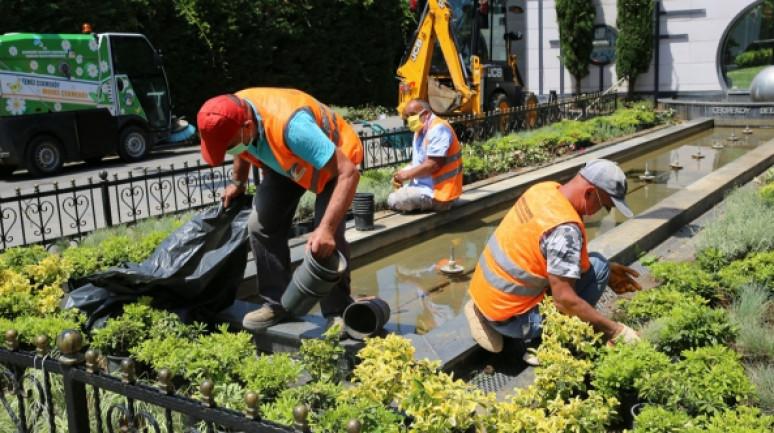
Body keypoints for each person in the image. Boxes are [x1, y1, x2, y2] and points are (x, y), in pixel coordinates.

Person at [197, 88, 363, 331]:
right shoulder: (232, 110)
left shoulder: (292, 128)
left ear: (247, 126)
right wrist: (238, 182)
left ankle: (337, 311)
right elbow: (242, 149)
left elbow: (348, 173)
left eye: (228, 144)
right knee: (259, 225)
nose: (228, 151)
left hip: (335, 165)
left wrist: (325, 228)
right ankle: (277, 304)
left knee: (326, 240)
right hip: (287, 160)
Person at [464, 159, 643, 364]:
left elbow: (545, 252)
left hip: (487, 294)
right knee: (597, 270)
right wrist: (615, 330)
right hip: (513, 319)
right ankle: (546, 345)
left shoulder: (543, 190)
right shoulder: (565, 230)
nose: (605, 213)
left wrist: (608, 271)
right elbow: (564, 300)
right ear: (589, 193)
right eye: (606, 206)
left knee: (602, 266)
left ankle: (481, 310)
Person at [387, 98, 463, 212]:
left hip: (440, 194)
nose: (410, 119)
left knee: (402, 198)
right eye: (408, 116)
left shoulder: (439, 129)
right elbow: (418, 161)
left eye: (412, 115)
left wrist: (407, 175)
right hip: (423, 188)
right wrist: (403, 171)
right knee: (392, 199)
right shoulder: (420, 131)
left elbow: (433, 164)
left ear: (426, 113)